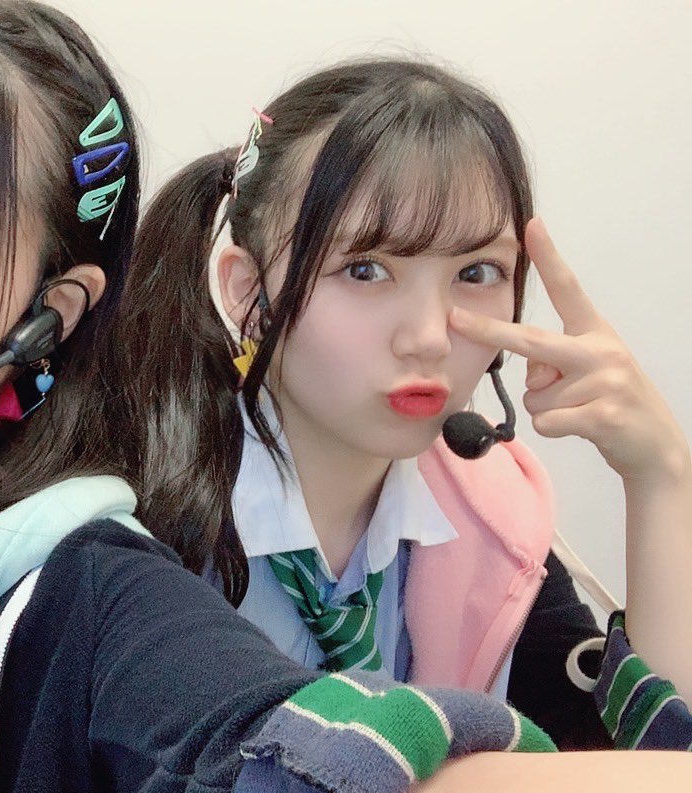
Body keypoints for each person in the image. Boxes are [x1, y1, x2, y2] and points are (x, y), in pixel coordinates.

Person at [0, 10, 689, 793]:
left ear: (51, 312)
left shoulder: (69, 585)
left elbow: (316, 764)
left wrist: (664, 479)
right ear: (245, 288)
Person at [115, 57, 692, 749]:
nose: (428, 338)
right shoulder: (129, 519)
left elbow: (648, 774)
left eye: (477, 272)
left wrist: (661, 478)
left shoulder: (489, 520)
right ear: (248, 292)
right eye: (366, 270)